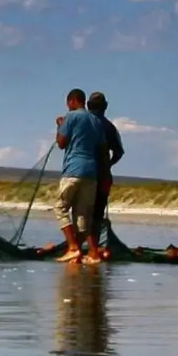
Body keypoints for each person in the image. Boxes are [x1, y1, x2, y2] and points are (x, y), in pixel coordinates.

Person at [56, 88, 106, 265]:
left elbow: (61, 143)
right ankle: (79, 254)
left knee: (60, 208)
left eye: (68, 103)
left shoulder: (71, 116)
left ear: (72, 101)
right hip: (91, 173)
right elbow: (101, 148)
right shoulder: (96, 121)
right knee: (82, 216)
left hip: (73, 170)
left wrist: (60, 126)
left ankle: (73, 247)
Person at [88, 91, 124, 250]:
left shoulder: (84, 124)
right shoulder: (109, 127)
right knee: (97, 215)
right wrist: (107, 165)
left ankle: (76, 247)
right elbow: (118, 152)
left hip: (85, 175)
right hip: (103, 177)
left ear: (88, 106)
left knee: (81, 213)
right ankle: (93, 248)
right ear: (105, 107)